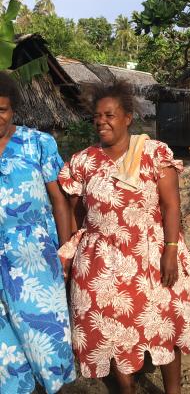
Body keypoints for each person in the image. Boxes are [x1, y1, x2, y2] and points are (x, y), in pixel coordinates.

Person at [58, 80, 190, 394]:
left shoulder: (152, 153)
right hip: (100, 261)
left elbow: (170, 204)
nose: (101, 121)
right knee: (104, 328)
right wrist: (76, 248)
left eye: (109, 115)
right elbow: (73, 209)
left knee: (164, 324)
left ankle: (173, 391)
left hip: (151, 252)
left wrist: (170, 249)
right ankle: (127, 388)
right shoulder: (83, 161)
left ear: (127, 118)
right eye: (97, 116)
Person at [0, 71, 76, 393]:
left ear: (13, 109)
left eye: (1, 109)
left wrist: (66, 251)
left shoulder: (38, 143)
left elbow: (59, 202)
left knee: (47, 338)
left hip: (35, 258)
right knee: (6, 352)